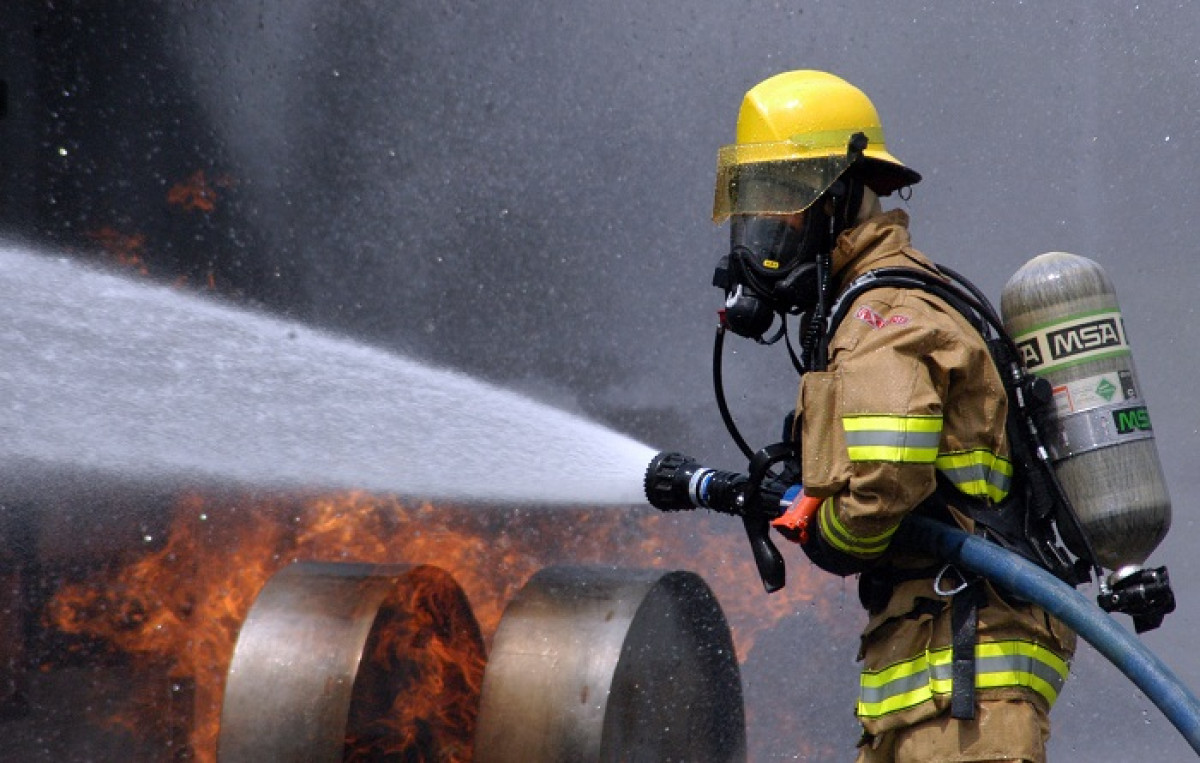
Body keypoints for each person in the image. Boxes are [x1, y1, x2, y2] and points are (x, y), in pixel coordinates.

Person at [711, 70, 1076, 762]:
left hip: (965, 683)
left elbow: (881, 490)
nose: (769, 229)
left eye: (788, 199)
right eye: (757, 203)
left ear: (840, 196)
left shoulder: (884, 317)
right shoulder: (874, 306)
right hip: (935, 676)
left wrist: (823, 531)